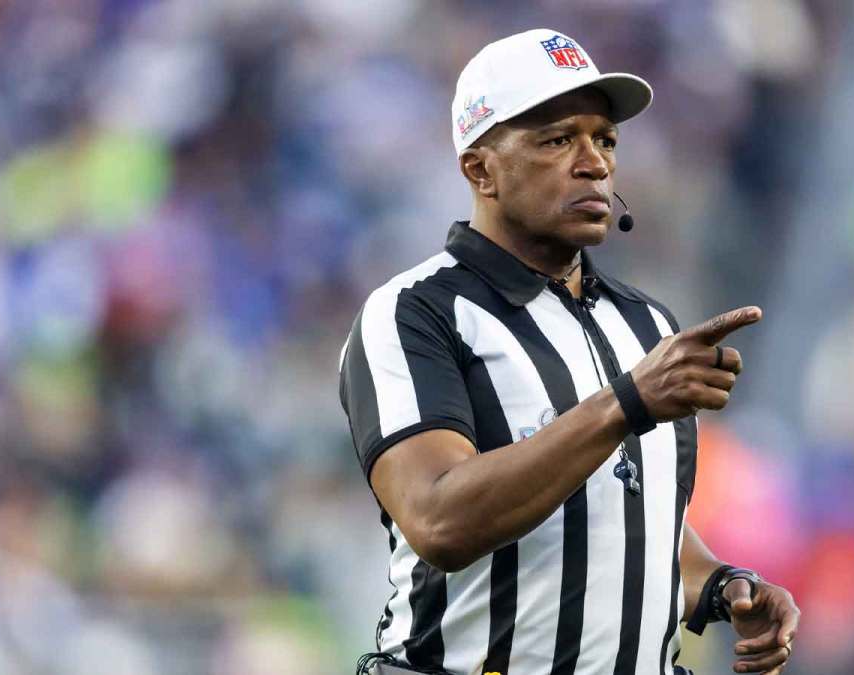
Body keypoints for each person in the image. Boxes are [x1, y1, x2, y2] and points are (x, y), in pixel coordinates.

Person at [339, 28, 800, 675]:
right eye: (558, 139)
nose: (595, 162)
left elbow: (629, 517)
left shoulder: (645, 324)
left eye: (604, 139)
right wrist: (626, 402)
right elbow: (439, 520)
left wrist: (722, 587)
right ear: (480, 167)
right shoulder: (417, 312)